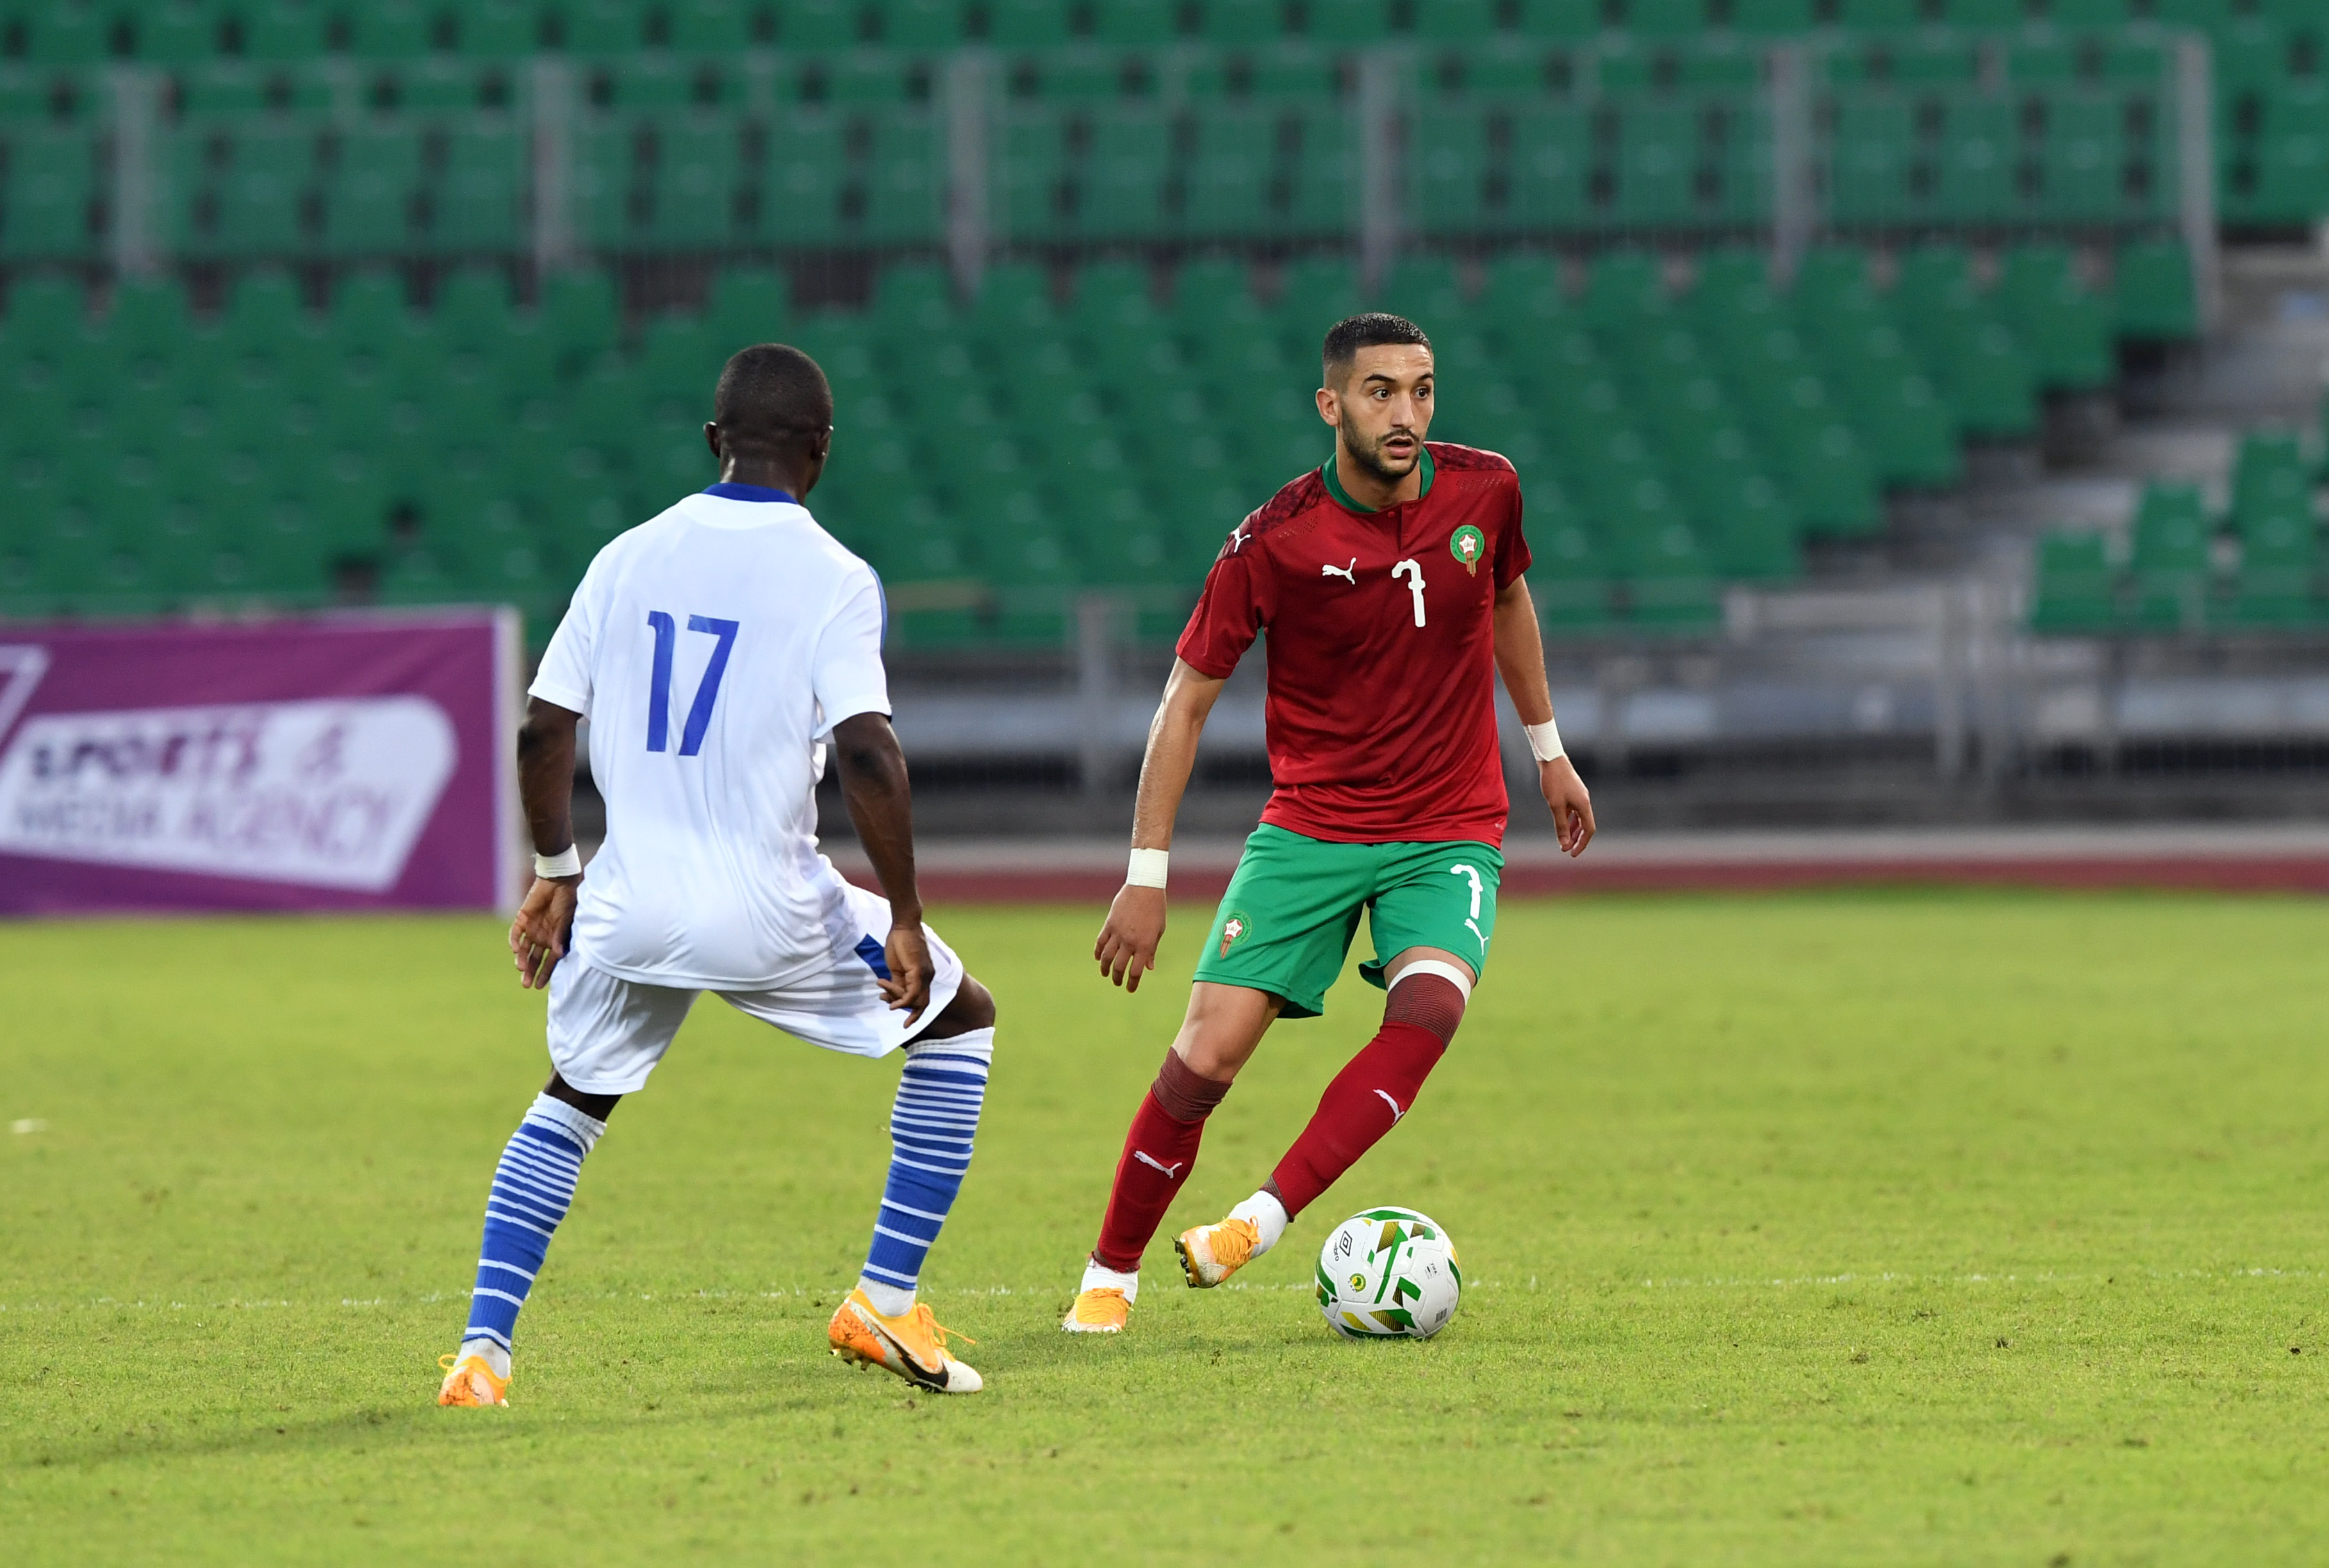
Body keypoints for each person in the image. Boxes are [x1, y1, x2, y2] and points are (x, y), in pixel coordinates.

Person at [437, 345, 996, 1405]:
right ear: (822, 454)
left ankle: (482, 1353)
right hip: (770, 909)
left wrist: (557, 869)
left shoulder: (625, 557)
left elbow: (541, 729)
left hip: (627, 902)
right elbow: (869, 752)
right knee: (962, 1020)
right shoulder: (835, 576)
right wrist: (909, 913)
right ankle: (883, 1299)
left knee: (573, 1100)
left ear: (712, 443)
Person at [1060, 312, 1595, 1333]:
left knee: (1431, 1008)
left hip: (1450, 826)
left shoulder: (1488, 488)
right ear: (1332, 404)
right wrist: (1145, 872)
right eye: (1382, 391)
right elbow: (1186, 701)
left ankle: (1256, 1224)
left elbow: (1511, 598)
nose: (1408, 414)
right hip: (1313, 829)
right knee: (1206, 1057)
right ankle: (1110, 1273)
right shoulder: (1276, 541)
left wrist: (1550, 750)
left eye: (1424, 389)